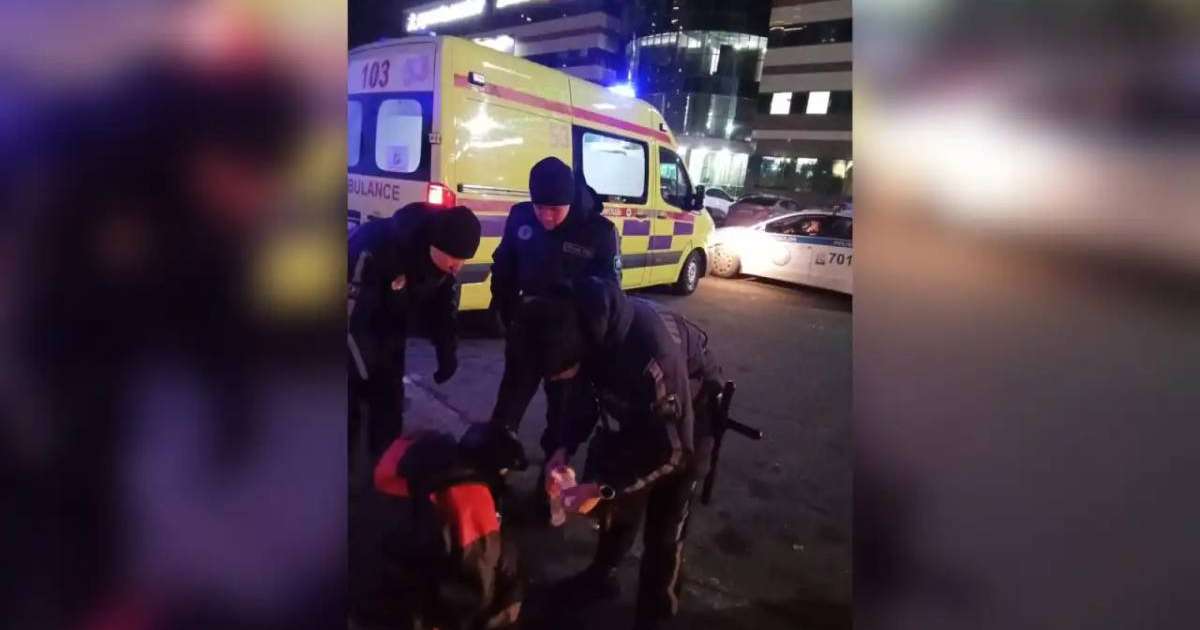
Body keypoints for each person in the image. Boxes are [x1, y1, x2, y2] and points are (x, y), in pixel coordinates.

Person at [517, 278, 723, 630]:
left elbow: (674, 452)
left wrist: (601, 488)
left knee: (666, 524)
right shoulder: (583, 328)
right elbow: (584, 398)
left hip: (690, 414)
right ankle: (602, 576)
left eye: (563, 370)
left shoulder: (653, 359)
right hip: (634, 408)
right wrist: (564, 447)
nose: (561, 378)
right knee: (621, 506)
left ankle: (657, 609)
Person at [488, 157, 620, 492]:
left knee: (561, 421)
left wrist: (593, 345)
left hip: (568, 346)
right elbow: (504, 262)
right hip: (526, 332)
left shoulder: (598, 232)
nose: (545, 216)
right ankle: (491, 478)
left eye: (554, 210)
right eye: (539, 208)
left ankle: (548, 487)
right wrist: (502, 307)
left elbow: (609, 295)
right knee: (507, 409)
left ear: (571, 202)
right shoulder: (520, 216)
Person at [349, 422, 528, 630]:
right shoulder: (469, 499)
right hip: (399, 608)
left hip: (358, 576)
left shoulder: (411, 456)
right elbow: (475, 586)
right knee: (506, 568)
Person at [349, 202, 482, 457]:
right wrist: (362, 363)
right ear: (435, 245)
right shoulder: (377, 248)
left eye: (464, 259)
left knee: (388, 400)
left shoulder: (443, 266)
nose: (459, 265)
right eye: (455, 257)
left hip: (391, 330)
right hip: (355, 326)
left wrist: (447, 352)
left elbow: (443, 310)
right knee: (352, 396)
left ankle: (383, 464)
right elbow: (354, 311)